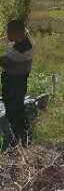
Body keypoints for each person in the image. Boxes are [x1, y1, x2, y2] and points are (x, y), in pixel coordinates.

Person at [0, 19, 35, 148]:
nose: (7, 34)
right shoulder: (23, 40)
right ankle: (22, 139)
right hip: (15, 80)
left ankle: (21, 140)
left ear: (18, 33)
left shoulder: (22, 48)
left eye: (9, 32)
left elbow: (4, 62)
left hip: (15, 82)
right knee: (15, 109)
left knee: (14, 111)